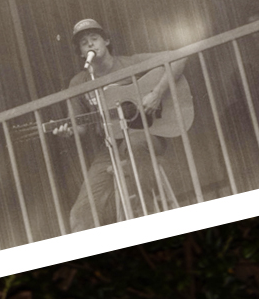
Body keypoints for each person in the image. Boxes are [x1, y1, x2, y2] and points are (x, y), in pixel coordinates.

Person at [55, 19, 186, 232]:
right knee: (80, 215)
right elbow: (80, 127)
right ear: (80, 52)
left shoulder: (130, 63)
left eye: (94, 39)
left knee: (134, 145)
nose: (90, 45)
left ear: (106, 41)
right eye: (83, 43)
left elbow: (178, 57)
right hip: (111, 148)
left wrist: (157, 93)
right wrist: (68, 131)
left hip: (145, 135)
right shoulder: (78, 83)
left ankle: (144, 220)